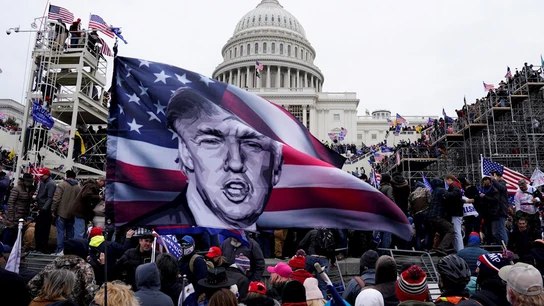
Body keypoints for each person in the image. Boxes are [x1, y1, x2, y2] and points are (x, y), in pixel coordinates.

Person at [137, 88, 283, 230]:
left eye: (252, 144)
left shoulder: (274, 236)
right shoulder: (157, 228)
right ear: (185, 152)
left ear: (277, 164)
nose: (235, 163)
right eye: (212, 142)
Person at [28, 239, 97, 305]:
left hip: (49, 303)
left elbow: (32, 285)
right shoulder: (85, 267)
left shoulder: (53, 264)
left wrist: (44, 299)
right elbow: (90, 292)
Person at [51, 169, 81, 255]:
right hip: (72, 214)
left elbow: (56, 199)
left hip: (61, 212)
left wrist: (53, 210)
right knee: (70, 233)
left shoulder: (62, 185)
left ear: (66, 176)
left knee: (60, 232)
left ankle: (59, 250)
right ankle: (68, 251)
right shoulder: (78, 187)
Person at [4, 173, 34, 246]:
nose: (29, 183)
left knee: (18, 231)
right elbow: (11, 203)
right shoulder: (16, 189)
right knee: (11, 229)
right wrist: (11, 215)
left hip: (22, 214)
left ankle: (13, 248)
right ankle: (6, 247)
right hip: (15, 214)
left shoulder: (29, 189)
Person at [34, 167, 57, 253]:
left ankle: (42, 247)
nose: (40, 177)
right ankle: (39, 246)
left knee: (44, 229)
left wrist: (44, 208)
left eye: (42, 175)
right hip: (41, 208)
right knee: (39, 228)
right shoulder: (43, 182)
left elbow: (50, 198)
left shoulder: (51, 184)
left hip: (45, 210)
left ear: (47, 175)